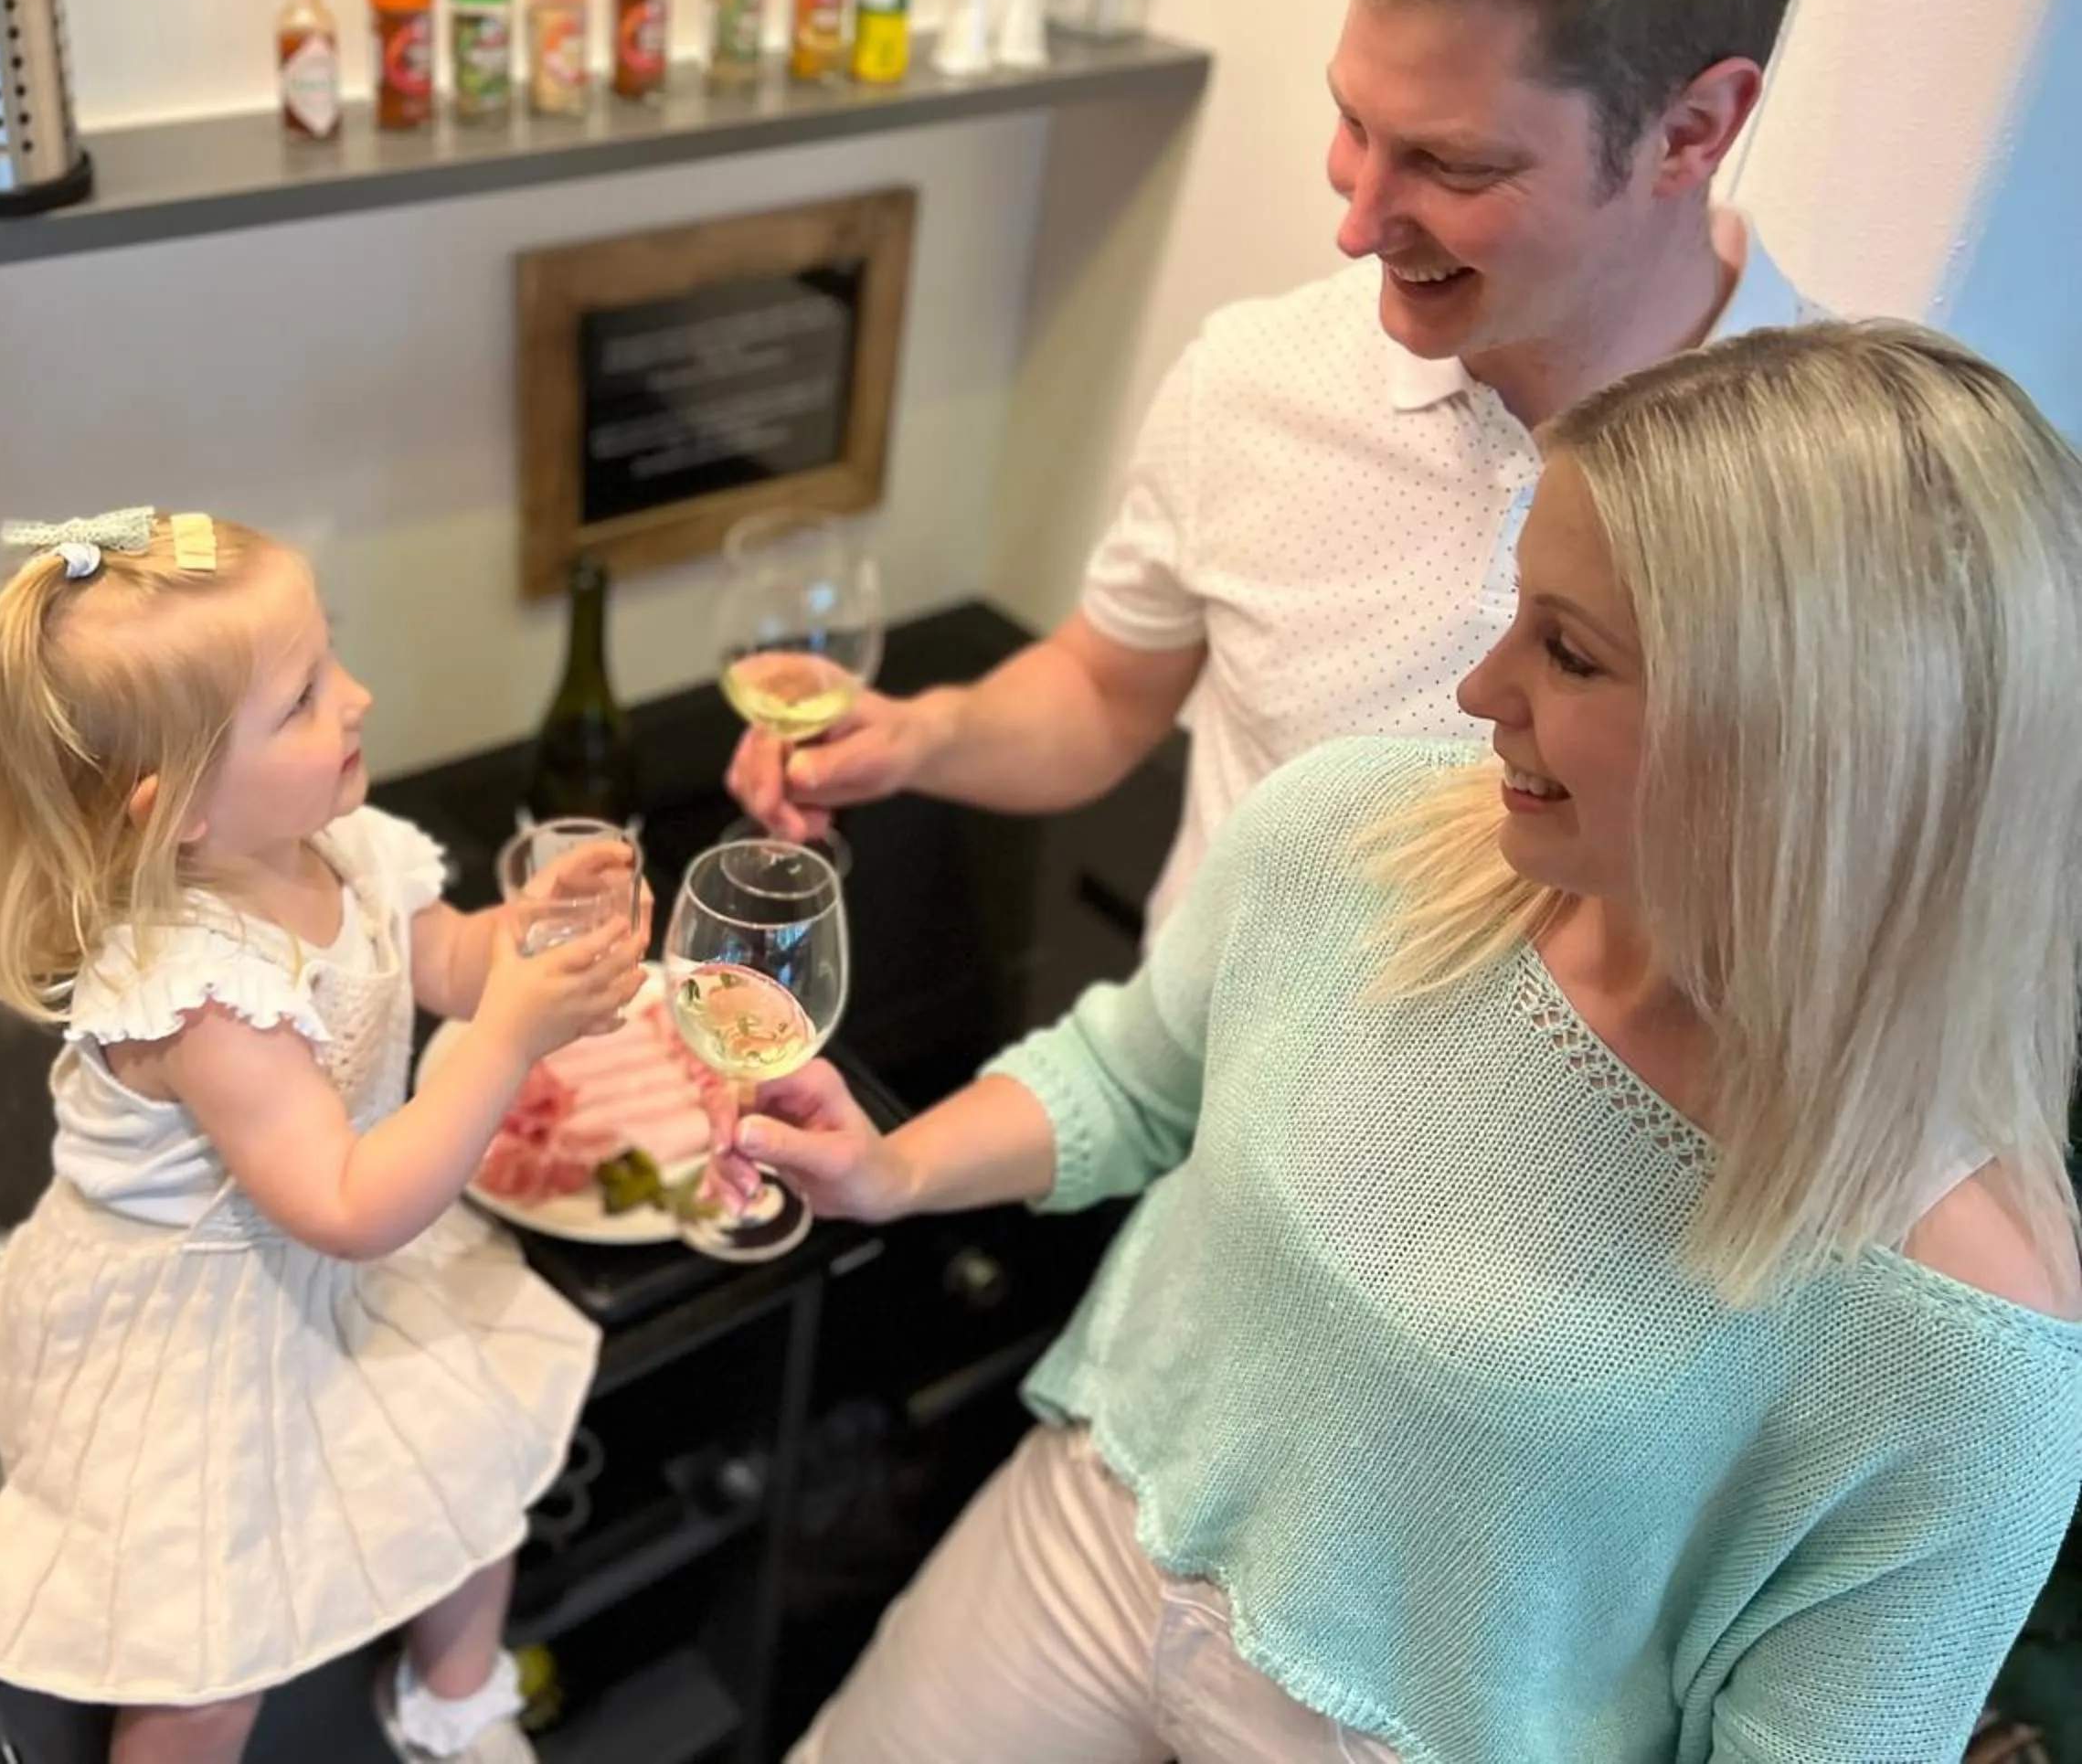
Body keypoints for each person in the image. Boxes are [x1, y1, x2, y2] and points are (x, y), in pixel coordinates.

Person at [744, 323, 2082, 1762]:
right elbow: (1129, 1077)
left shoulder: (1963, 1348)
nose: (1479, 690)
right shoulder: (1358, 832)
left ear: (1808, 748)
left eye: (1569, 650)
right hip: (1108, 1522)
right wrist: (891, 1168)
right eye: (1521, 613)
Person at [732, 0, 1827, 933]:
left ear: (1692, 129)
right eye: (1353, 122)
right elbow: (1105, 689)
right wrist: (920, 735)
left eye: (1453, 164)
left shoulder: (1863, 519)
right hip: (1185, 1055)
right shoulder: (1255, 379)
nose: (1357, 224)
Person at [0, 508, 647, 1764]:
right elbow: (348, 1204)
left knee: (471, 1476)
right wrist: (512, 1040)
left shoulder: (335, 847)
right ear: (180, 809)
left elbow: (438, 960)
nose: (356, 698)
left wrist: (520, 938)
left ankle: (455, 1702)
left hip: (322, 1274)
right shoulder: (199, 990)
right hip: (191, 1326)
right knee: (208, 1660)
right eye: (302, 698)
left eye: (330, 654)